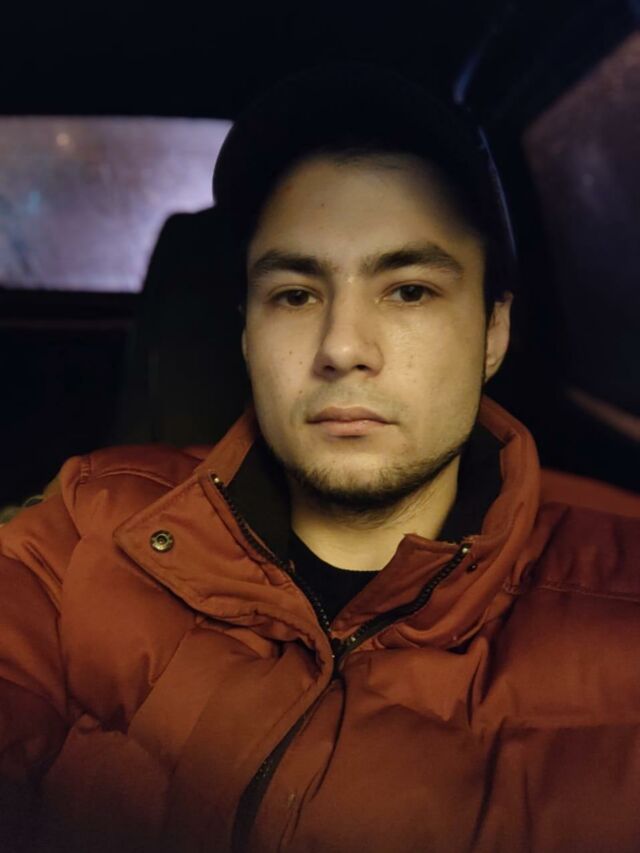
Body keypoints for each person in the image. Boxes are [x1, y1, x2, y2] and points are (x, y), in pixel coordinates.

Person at [1, 63, 640, 853]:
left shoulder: (621, 596)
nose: (341, 347)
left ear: (493, 332)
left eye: (409, 290)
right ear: (247, 334)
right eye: (296, 295)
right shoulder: (86, 523)